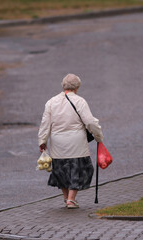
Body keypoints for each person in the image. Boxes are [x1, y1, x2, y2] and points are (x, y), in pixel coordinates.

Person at [38, 73, 104, 209]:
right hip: (77, 143)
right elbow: (90, 122)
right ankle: (71, 199)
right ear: (77, 86)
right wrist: (98, 136)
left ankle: (66, 197)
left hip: (57, 142)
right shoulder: (80, 101)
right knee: (77, 169)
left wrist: (42, 141)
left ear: (63, 85)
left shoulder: (51, 102)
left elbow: (45, 123)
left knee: (61, 170)